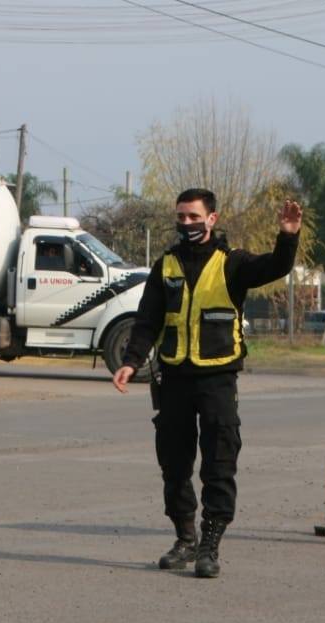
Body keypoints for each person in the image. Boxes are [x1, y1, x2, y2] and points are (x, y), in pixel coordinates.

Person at [113, 188, 302, 578]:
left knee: (219, 464)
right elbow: (148, 319)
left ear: (212, 219)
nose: (186, 224)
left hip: (217, 378)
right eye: (181, 217)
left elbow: (276, 267)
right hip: (174, 379)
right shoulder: (164, 265)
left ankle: (209, 546)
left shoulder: (233, 263)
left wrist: (288, 236)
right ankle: (185, 539)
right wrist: (131, 362)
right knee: (174, 465)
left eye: (193, 217)